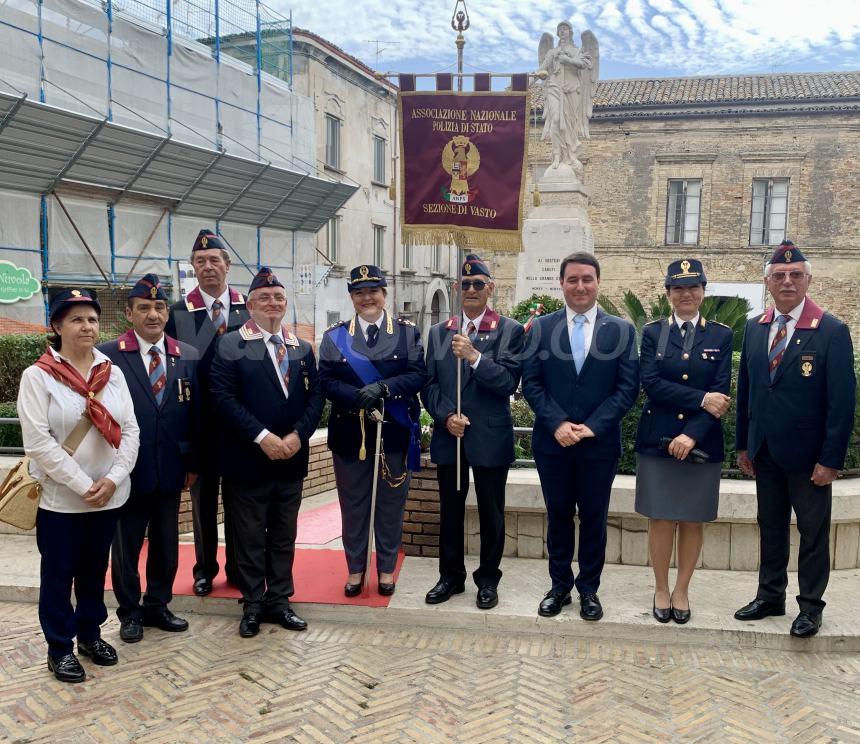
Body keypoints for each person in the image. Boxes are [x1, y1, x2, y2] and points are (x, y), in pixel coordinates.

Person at [734, 241, 856, 638]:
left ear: (807, 280)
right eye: (779, 276)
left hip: (809, 458)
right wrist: (743, 446)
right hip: (765, 450)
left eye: (795, 275)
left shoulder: (831, 331)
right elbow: (747, 393)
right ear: (768, 281)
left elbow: (842, 403)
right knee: (770, 527)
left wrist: (831, 459)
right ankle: (770, 596)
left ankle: (810, 607)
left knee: (812, 532)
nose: (787, 281)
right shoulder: (756, 327)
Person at [17, 289, 140, 683]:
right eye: (76, 319)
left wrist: (113, 479)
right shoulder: (38, 377)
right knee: (58, 574)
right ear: (56, 326)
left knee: (93, 571)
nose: (86, 326)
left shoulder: (112, 371)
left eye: (91, 318)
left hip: (108, 496)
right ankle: (59, 647)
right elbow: (38, 443)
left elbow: (131, 431)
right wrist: (86, 483)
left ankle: (89, 635)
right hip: (62, 501)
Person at [522, 252, 639, 620]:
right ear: (561, 284)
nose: (580, 286)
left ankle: (589, 589)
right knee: (557, 516)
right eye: (572, 280)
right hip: (552, 443)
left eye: (587, 279)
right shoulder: (541, 329)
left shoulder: (621, 330)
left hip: (598, 445)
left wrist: (592, 426)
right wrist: (557, 423)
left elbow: (627, 388)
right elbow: (532, 383)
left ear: (598, 283)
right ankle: (559, 587)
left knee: (593, 518)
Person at [209, 267, 323, 637]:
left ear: (285, 304)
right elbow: (222, 398)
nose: (272, 303)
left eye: (278, 297)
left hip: (291, 459)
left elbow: (315, 398)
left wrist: (297, 437)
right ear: (250, 304)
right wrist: (263, 437)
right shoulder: (230, 344)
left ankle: (280, 599)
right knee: (249, 535)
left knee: (283, 534)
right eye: (264, 298)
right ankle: (253, 602)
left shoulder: (301, 347)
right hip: (248, 460)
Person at [99, 274, 199, 643]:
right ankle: (129, 612)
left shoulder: (185, 354)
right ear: (130, 313)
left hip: (172, 468)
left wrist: (193, 463)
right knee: (125, 546)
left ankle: (158, 605)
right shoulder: (109, 354)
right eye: (144, 308)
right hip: (127, 470)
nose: (153, 314)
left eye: (159, 307)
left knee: (166, 542)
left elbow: (196, 414)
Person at [318, 265, 427, 597]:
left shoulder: (407, 333)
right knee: (353, 505)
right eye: (360, 292)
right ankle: (355, 569)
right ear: (352, 297)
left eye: (373, 291)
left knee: (391, 505)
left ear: (384, 294)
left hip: (392, 432)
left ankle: (385, 569)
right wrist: (356, 396)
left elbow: (418, 374)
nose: (367, 298)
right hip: (351, 435)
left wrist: (383, 388)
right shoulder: (334, 336)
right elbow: (325, 381)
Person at [422, 254, 524, 609]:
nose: (470, 290)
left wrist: (475, 357)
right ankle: (450, 576)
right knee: (450, 510)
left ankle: (488, 580)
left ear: (490, 289)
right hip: (452, 436)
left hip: (490, 438)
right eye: (464, 284)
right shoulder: (439, 331)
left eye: (478, 284)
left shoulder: (508, 330)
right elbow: (429, 385)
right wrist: (446, 415)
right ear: (457, 288)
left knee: (491, 513)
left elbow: (508, 382)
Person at [634, 259, 732, 624]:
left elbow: (721, 395)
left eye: (693, 287)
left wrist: (692, 432)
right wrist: (700, 399)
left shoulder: (721, 335)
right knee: (660, 518)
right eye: (678, 288)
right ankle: (660, 587)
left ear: (704, 291)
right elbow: (651, 383)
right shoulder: (653, 332)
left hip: (702, 441)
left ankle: (682, 590)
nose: (686, 294)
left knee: (693, 521)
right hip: (658, 437)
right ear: (668, 294)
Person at [165, 228, 249, 597]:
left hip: (239, 425)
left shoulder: (249, 308)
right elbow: (170, 371)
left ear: (228, 265)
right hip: (198, 424)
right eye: (200, 261)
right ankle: (204, 569)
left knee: (239, 501)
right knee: (202, 502)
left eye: (215, 260)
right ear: (193, 268)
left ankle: (238, 567)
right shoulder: (178, 312)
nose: (208, 266)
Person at [539, 21, 595, 169]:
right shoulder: (552, 52)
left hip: (571, 89)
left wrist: (568, 60)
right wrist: (526, 81)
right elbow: (542, 70)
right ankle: (557, 155)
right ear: (557, 33)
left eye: (565, 29)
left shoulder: (578, 51)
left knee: (570, 123)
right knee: (555, 120)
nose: (562, 31)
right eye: (560, 29)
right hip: (554, 87)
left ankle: (570, 154)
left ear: (570, 32)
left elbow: (586, 64)